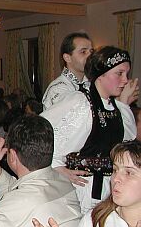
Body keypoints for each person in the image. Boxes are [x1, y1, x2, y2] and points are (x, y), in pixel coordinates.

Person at [41, 46, 137, 213]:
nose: (125, 80)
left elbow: (127, 143)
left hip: (109, 190)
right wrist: (57, 168)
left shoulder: (114, 107)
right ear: (101, 75)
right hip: (83, 191)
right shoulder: (82, 104)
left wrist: (123, 103)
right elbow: (42, 133)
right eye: (119, 73)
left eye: (126, 74)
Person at [42, 32, 93, 110]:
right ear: (67, 57)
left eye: (91, 51)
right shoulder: (57, 89)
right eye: (83, 52)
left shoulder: (93, 84)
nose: (90, 56)